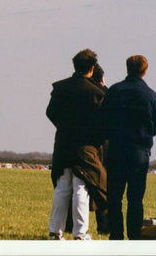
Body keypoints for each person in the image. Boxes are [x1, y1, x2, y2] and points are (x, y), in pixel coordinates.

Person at [45, 48, 107, 241]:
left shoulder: (61, 88)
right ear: (92, 67)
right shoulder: (98, 93)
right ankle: (80, 234)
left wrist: (64, 127)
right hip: (86, 147)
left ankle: (55, 231)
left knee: (62, 187)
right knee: (82, 187)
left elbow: (51, 113)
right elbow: (103, 122)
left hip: (63, 143)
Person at [101, 55, 156, 240]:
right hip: (139, 153)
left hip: (116, 151)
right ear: (145, 71)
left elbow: (102, 118)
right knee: (135, 199)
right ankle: (135, 237)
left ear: (127, 69)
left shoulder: (113, 91)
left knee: (114, 198)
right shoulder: (151, 95)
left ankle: (116, 235)